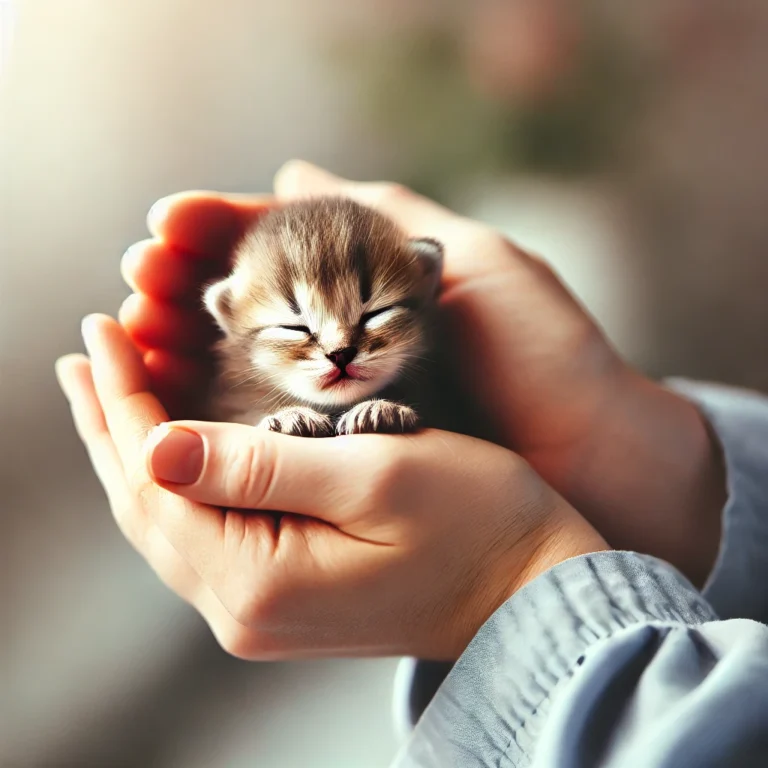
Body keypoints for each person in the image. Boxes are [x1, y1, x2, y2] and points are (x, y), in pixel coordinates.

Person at [56, 160, 768, 766]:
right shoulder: (235, 386)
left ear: (425, 285)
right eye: (293, 328)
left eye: (374, 316)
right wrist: (665, 466)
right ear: (230, 317)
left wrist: (507, 583)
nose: (338, 347)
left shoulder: (445, 370)